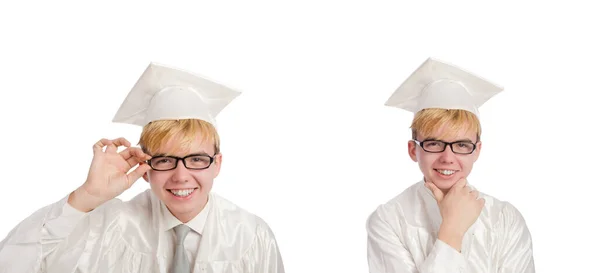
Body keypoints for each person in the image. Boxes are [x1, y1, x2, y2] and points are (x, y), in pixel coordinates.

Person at [0, 62, 285, 273]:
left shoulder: (251, 236)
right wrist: (87, 196)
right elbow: (14, 263)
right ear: (145, 168)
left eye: (197, 159)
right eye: (164, 160)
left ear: (217, 164)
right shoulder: (110, 226)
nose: (181, 175)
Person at [366, 58, 535, 273]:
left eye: (462, 145)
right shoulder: (389, 220)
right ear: (413, 150)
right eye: (434, 143)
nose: (448, 157)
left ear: (477, 150)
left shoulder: (504, 219)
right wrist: (452, 229)